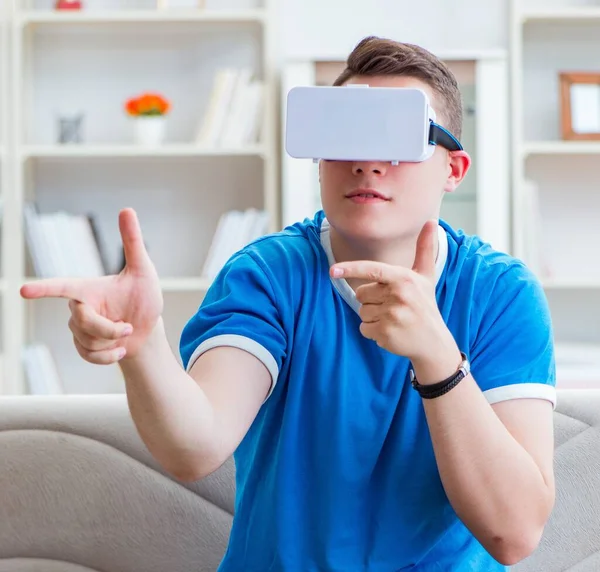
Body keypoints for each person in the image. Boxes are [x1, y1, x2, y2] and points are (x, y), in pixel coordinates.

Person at [20, 36, 556, 571]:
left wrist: (437, 357)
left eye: (398, 136)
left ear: (453, 170)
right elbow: (194, 446)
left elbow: (515, 534)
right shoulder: (268, 275)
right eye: (344, 133)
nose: (368, 162)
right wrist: (143, 345)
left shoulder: (500, 293)